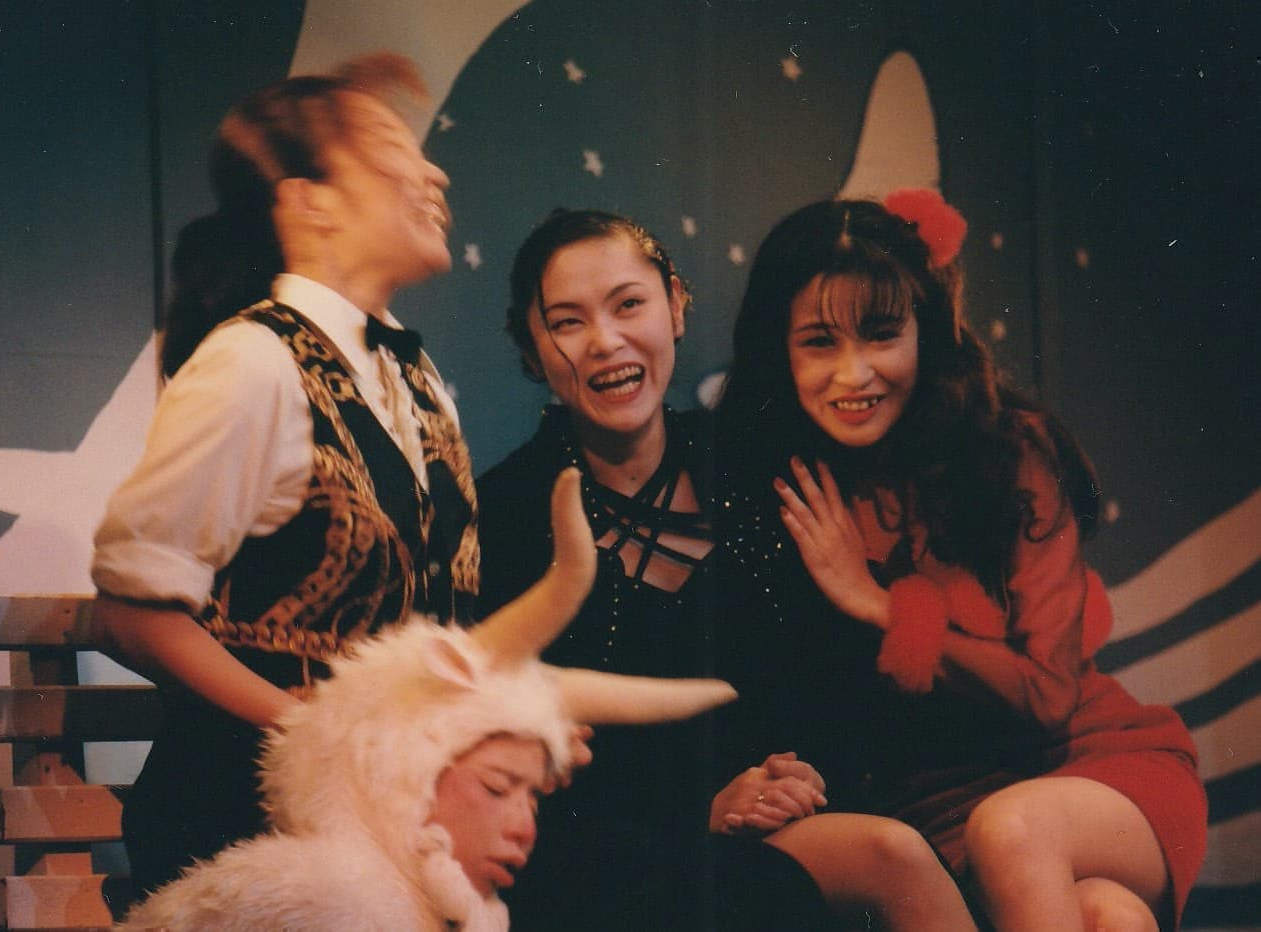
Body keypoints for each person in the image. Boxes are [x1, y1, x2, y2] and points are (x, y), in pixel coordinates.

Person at [714, 189, 1208, 930]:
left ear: (926, 331)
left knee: (1014, 830)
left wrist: (874, 602)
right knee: (1109, 916)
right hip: (934, 813)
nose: (854, 373)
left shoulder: (1007, 451)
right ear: (778, 351)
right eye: (820, 342)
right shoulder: (777, 488)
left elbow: (1048, 693)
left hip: (1094, 767)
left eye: (882, 334)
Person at [477, 209, 960, 929]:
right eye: (568, 322)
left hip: (795, 824)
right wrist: (701, 812)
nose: (605, 341)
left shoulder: (763, 464)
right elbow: (511, 765)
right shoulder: (504, 516)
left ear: (676, 306)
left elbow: (839, 686)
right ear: (532, 347)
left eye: (629, 304)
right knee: (891, 856)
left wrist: (800, 774)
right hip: (609, 868)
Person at [90, 53, 482, 896]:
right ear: (311, 201)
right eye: (393, 151)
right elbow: (130, 613)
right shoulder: (252, 363)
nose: (434, 173)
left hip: (382, 831)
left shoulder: (416, 378)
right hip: (248, 835)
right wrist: (312, 729)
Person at [117, 470, 739, 931]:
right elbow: (128, 607)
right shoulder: (334, 901)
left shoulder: (443, 906)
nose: (525, 826)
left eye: (531, 796)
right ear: (406, 772)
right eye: (498, 788)